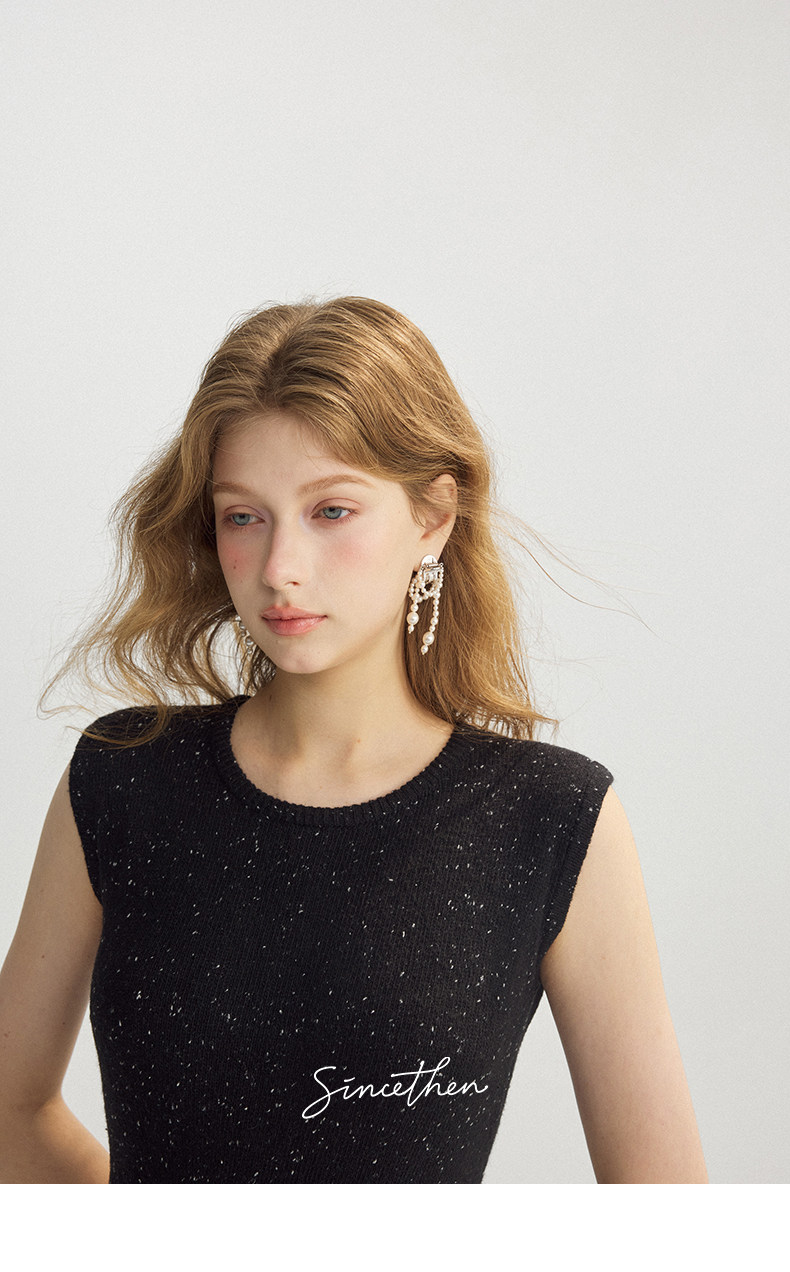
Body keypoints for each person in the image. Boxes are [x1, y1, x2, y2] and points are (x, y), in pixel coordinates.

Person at [0, 297, 708, 1183]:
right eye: (243, 516)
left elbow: (667, 1214)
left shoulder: (552, 818)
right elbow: (10, 1107)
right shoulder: (123, 779)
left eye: (331, 511)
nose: (280, 569)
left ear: (434, 516)